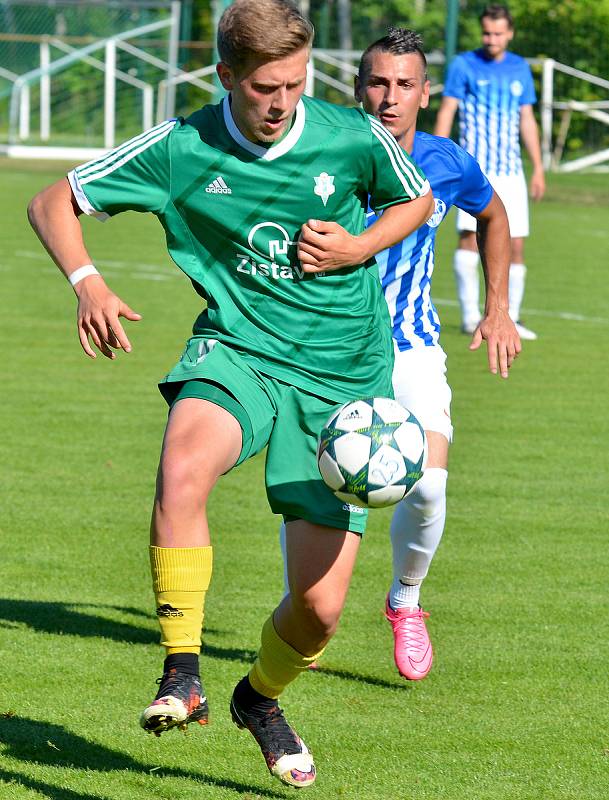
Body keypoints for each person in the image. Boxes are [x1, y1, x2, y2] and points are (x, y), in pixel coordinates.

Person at [27, 0, 434, 788]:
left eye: (294, 83)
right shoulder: (183, 147)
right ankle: (182, 672)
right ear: (225, 78)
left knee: (317, 612)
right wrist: (89, 283)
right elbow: (54, 203)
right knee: (181, 471)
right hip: (238, 351)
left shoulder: (350, 135)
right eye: (263, 88)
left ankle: (259, 698)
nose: (281, 103)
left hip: (342, 382)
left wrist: (358, 243)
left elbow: (413, 200)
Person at [279, 27, 520, 682]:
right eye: (377, 83)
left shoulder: (445, 161)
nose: (389, 97)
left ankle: (405, 600)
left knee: (430, 488)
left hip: (411, 344)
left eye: (404, 84)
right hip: (326, 351)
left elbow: (493, 217)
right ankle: (304, 613)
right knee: (313, 493)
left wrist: (498, 308)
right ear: (357, 88)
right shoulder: (316, 156)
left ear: (424, 92)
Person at [434, 4, 545, 340]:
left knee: (516, 243)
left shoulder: (519, 68)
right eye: (486, 32)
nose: (492, 39)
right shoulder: (464, 65)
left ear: (509, 33)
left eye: (498, 33)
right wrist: (437, 160)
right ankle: (470, 316)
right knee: (470, 238)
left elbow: (526, 118)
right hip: (474, 170)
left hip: (511, 172)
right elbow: (448, 110)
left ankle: (510, 316)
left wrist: (538, 167)